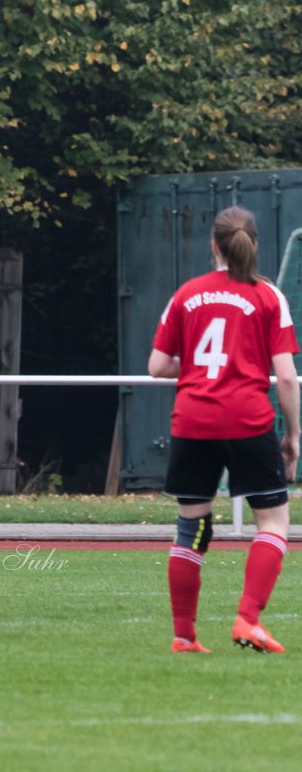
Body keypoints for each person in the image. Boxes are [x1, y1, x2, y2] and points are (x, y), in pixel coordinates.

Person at [148, 205, 298, 654]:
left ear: (213, 245)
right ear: (253, 244)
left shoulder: (187, 294)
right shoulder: (268, 296)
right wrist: (294, 435)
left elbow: (157, 366)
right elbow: (287, 377)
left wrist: (194, 365)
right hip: (247, 420)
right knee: (272, 520)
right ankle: (247, 620)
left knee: (190, 527)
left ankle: (183, 636)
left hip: (192, 420)